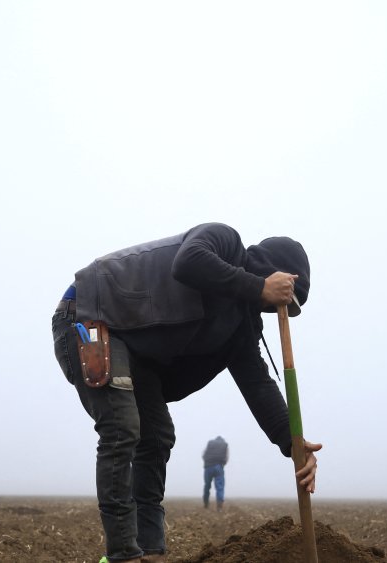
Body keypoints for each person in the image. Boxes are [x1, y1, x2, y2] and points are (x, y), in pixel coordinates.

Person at [51, 223, 322, 563]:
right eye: (285, 296)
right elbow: (188, 261)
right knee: (122, 427)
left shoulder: (242, 325)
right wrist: (258, 287)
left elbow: (257, 384)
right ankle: (122, 556)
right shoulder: (224, 242)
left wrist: (292, 442)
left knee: (157, 436)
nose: (274, 306)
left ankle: (150, 552)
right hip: (91, 314)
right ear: (275, 272)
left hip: (137, 353)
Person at [202, 435, 229, 511]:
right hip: (218, 466)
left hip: (208, 466)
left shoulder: (210, 443)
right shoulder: (225, 444)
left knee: (207, 485)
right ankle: (219, 506)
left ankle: (206, 503)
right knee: (220, 487)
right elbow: (226, 457)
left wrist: (207, 462)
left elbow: (203, 455)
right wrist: (223, 464)